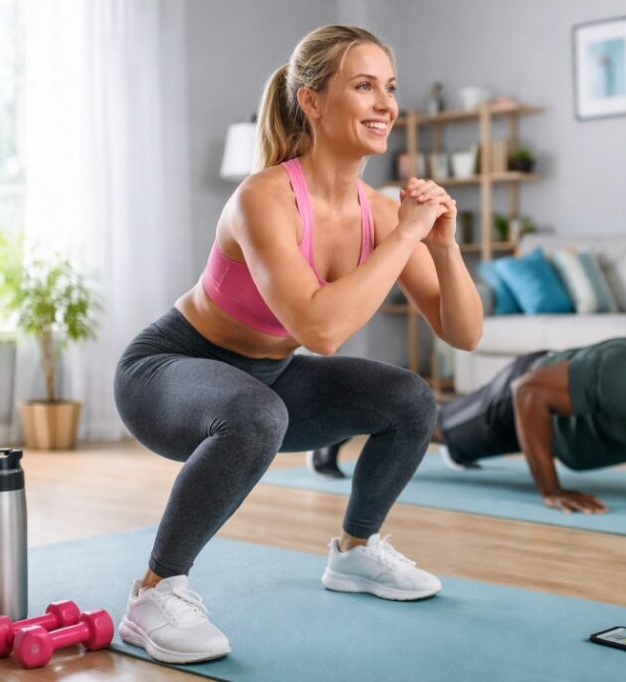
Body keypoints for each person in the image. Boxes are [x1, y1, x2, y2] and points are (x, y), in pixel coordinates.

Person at [112, 25, 482, 664]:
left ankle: (357, 553)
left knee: (410, 399)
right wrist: (407, 234)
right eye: (363, 86)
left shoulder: (381, 212)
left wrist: (443, 246)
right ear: (311, 101)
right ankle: (153, 594)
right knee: (257, 414)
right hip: (169, 370)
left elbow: (465, 332)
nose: (385, 105)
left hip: (267, 376)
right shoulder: (265, 197)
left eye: (389, 88)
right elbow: (322, 330)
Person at [310, 322, 626, 515]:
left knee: (451, 434)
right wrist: (551, 489)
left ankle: (459, 445)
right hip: (526, 392)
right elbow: (529, 392)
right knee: (436, 426)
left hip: (557, 415)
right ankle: (337, 419)